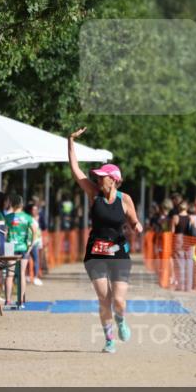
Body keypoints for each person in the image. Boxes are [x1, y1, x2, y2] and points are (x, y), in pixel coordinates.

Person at [69, 127, 143, 354]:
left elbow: (134, 222)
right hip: (96, 254)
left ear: (114, 180)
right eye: (98, 177)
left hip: (119, 253)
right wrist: (70, 141)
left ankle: (121, 320)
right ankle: (109, 340)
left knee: (119, 301)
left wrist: (137, 227)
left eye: (103, 177)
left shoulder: (125, 199)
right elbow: (76, 169)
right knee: (104, 299)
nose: (98, 179)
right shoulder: (93, 194)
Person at [4, 194, 40, 308]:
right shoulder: (27, 217)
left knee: (9, 275)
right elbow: (35, 231)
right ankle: (21, 301)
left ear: (11, 204)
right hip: (23, 248)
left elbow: (4, 233)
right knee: (22, 275)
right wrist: (31, 245)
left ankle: (8, 301)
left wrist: (6, 241)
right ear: (22, 204)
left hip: (10, 248)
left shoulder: (8, 217)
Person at [170, 200, 196, 293]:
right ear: (186, 208)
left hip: (178, 240)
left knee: (179, 264)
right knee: (189, 264)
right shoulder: (192, 218)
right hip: (189, 241)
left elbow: (172, 232)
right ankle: (188, 287)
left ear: (179, 208)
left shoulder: (175, 217)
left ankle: (180, 286)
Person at [29, 203, 44, 286]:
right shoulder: (29, 218)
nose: (34, 211)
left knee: (36, 259)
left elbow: (43, 227)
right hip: (31, 242)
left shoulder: (39, 218)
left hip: (37, 241)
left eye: (35, 209)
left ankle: (35, 277)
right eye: (33, 209)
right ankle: (29, 276)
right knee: (30, 260)